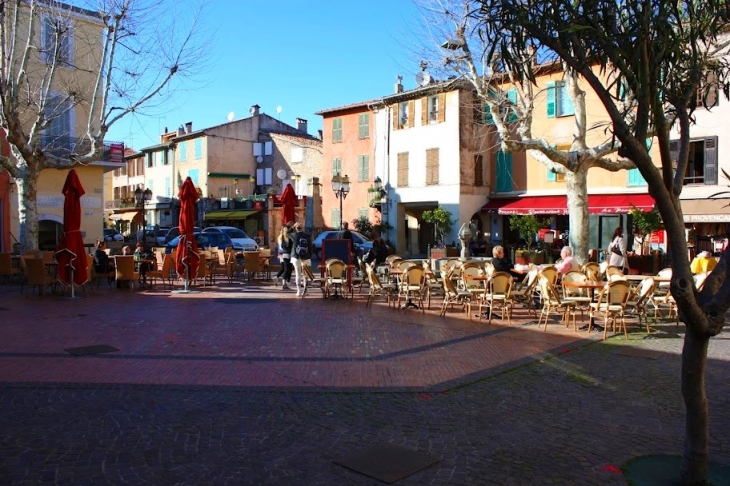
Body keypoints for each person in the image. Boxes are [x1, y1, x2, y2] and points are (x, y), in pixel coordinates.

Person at [290, 223, 313, 297]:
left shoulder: (294, 235)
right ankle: (305, 291)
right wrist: (309, 256)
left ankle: (298, 291)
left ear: (296, 228)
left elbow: (287, 233)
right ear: (302, 228)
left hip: (296, 257)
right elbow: (310, 247)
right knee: (305, 275)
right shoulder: (307, 236)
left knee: (298, 274)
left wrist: (292, 227)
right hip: (306, 257)